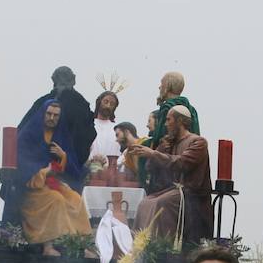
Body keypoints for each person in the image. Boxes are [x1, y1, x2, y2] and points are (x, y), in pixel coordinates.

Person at [127, 105, 212, 248]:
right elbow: (150, 168)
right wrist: (161, 148)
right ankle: (140, 249)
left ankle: (162, 247)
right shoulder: (170, 143)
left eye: (168, 120)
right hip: (171, 191)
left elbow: (182, 163)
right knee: (144, 203)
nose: (166, 124)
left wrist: (153, 153)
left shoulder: (198, 142)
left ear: (180, 121)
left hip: (190, 195)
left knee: (161, 203)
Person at [16, 100, 93, 255]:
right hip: (33, 187)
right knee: (55, 199)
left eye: (56, 115)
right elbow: (23, 165)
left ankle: (81, 244)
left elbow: (71, 168)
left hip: (53, 183)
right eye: (49, 114)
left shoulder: (60, 135)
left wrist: (63, 157)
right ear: (43, 114)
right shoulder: (29, 134)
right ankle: (48, 246)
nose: (52, 118)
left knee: (75, 199)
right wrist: (45, 171)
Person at [144, 71, 200, 151]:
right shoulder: (192, 110)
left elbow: (160, 138)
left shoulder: (167, 108)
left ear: (167, 86)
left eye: (162, 83)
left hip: (170, 158)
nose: (159, 87)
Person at [89, 90, 121, 163]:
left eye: (112, 104)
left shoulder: (117, 128)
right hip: (89, 165)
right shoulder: (88, 124)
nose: (108, 106)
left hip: (111, 169)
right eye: (105, 102)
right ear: (99, 102)